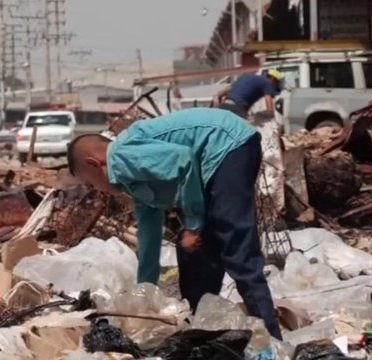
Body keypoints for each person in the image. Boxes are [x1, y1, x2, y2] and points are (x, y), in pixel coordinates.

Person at [66, 108, 283, 340]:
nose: (96, 190)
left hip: (226, 144)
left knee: (235, 246)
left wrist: (193, 224)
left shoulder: (120, 157)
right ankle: (201, 333)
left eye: (90, 183)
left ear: (94, 163)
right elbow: (149, 238)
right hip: (221, 153)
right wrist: (145, 293)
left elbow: (184, 160)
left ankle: (272, 339)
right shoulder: (132, 180)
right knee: (195, 250)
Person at [213, 69, 284, 118]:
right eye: (277, 83)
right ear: (272, 79)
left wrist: (217, 107)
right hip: (238, 108)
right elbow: (270, 110)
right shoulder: (267, 83)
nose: (275, 86)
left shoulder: (245, 77)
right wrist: (258, 115)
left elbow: (219, 94)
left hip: (225, 105)